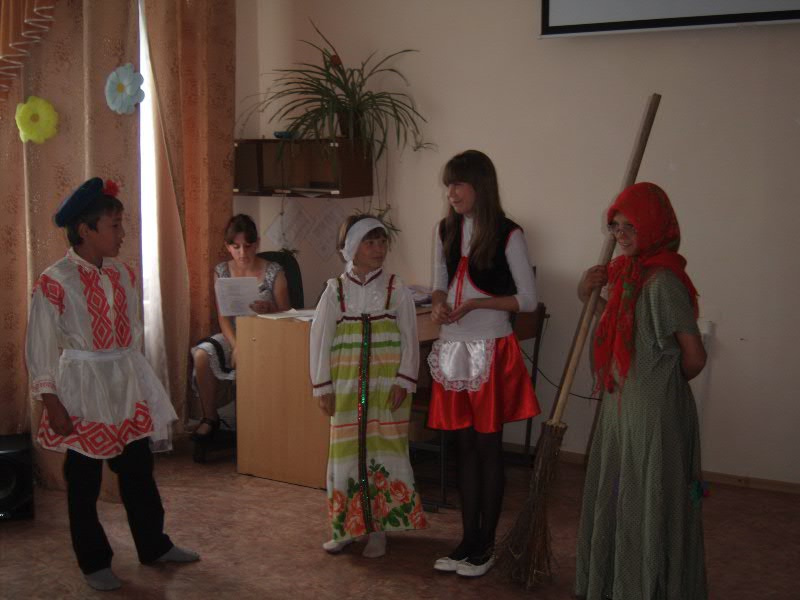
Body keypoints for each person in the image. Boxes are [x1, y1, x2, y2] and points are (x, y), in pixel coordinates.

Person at [25, 177, 199, 592]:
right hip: (83, 389)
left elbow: (131, 334)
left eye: (122, 225)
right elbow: (40, 344)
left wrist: (140, 384)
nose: (122, 234)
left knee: (138, 469)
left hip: (124, 385)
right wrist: (51, 401)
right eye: (114, 226)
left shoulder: (124, 275)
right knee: (83, 479)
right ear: (85, 230)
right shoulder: (56, 281)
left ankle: (153, 544)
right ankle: (94, 560)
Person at [575, 182, 707, 599]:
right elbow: (621, 329)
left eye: (629, 225)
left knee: (649, 497)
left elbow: (695, 357)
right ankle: (621, 581)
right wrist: (587, 293)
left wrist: (657, 381)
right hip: (622, 405)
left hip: (652, 411)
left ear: (652, 225)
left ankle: (649, 586)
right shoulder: (628, 275)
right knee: (622, 494)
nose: (620, 234)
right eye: (615, 226)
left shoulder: (663, 281)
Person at [428, 149, 541, 577]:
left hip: (490, 348)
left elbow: (527, 301)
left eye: (458, 184)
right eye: (448, 185)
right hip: (453, 349)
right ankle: (467, 541)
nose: (451, 193)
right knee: (464, 449)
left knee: (487, 448)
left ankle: (486, 545)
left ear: (480, 185)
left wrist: (477, 304)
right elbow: (438, 285)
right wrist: (439, 305)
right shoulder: (444, 229)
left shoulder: (510, 234)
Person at [310, 215, 427, 559]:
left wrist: (404, 379)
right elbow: (320, 338)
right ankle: (346, 528)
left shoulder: (395, 288)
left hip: (385, 387)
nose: (379, 249)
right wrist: (322, 386)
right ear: (351, 248)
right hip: (347, 387)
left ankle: (378, 530)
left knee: (384, 451)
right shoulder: (336, 290)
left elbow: (410, 337)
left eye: (382, 242)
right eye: (370, 242)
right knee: (345, 455)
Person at [190, 214, 290, 442]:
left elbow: (288, 314)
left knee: (257, 359)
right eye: (236, 247)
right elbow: (223, 316)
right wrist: (236, 345)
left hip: (266, 334)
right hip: (234, 334)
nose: (243, 253)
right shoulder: (222, 271)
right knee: (202, 355)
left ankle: (256, 425)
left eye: (248, 246)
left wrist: (270, 309)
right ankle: (210, 417)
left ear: (257, 244)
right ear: (228, 247)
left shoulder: (274, 271)